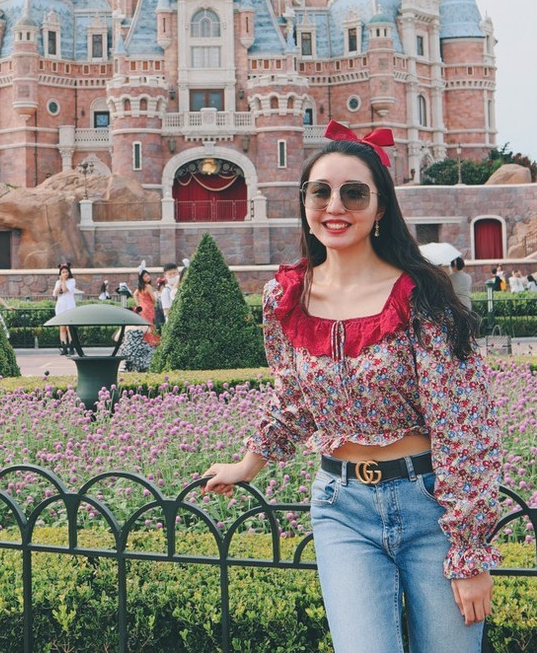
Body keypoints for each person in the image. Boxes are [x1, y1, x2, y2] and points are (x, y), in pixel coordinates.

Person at [203, 120, 501, 653]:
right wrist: (248, 464)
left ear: (380, 207)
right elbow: (293, 397)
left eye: (354, 193)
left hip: (430, 506)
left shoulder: (422, 296)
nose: (335, 206)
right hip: (341, 506)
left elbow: (463, 425)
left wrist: (469, 550)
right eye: (320, 192)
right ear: (304, 202)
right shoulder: (284, 297)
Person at [53, 262, 76, 354]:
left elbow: (65, 290)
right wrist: (60, 282)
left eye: (66, 272)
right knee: (62, 327)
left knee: (69, 328)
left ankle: (71, 347)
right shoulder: (57, 282)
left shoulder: (72, 281)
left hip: (69, 306)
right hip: (61, 306)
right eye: (63, 272)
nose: (65, 273)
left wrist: (63, 281)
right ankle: (64, 347)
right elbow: (55, 293)